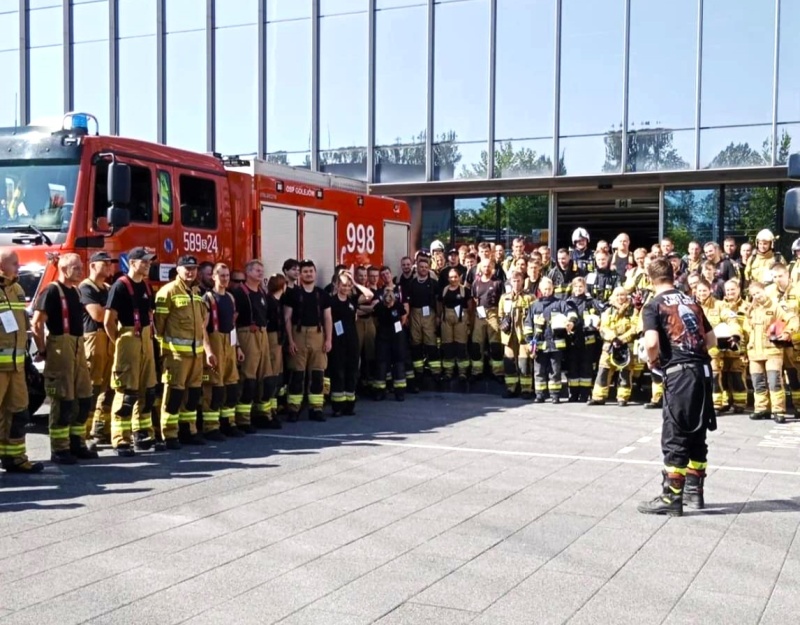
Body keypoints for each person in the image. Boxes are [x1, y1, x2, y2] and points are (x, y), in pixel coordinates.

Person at [638, 257, 717, 516]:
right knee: (697, 432)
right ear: (673, 276)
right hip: (703, 372)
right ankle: (695, 492)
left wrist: (653, 361)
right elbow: (711, 340)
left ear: (650, 279)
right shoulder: (691, 301)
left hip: (680, 375)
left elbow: (651, 343)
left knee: (676, 433)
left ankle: (671, 497)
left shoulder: (653, 305)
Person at [32, 254, 95, 464]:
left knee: (83, 398)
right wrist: (43, 350)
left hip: (78, 347)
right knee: (63, 400)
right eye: (76, 268)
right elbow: (37, 324)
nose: (81, 271)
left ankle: (76, 443)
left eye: (81, 267)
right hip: (61, 347)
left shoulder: (76, 291)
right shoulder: (51, 291)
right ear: (64, 268)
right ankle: (59, 449)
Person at [105, 247, 160, 456]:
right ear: (132, 263)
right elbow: (108, 321)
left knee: (147, 390)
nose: (147, 265)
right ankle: (121, 439)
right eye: (144, 262)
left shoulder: (145, 286)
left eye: (149, 262)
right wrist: (121, 342)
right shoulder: (119, 286)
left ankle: (141, 433)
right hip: (129, 338)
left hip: (146, 339)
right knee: (126, 393)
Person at [154, 255, 209, 448]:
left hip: (196, 354)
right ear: (178, 269)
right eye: (187, 268)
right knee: (174, 395)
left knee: (193, 395)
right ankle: (170, 434)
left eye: (194, 268)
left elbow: (202, 322)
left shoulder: (197, 292)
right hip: (176, 356)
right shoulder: (167, 291)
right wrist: (164, 351)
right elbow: (159, 326)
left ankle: (188, 431)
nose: (191, 272)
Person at [0, 250, 44, 473]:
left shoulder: (17, 289)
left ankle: (15, 458)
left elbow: (21, 325)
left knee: (19, 413)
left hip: (16, 367)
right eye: (15, 263)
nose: (19, 267)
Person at [284, 259, 332, 422]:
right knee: (297, 374)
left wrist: (328, 340)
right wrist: (290, 341)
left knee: (318, 374)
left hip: (318, 335)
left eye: (311, 271)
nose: (308, 274)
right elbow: (287, 318)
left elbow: (328, 318)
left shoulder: (323, 295)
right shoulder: (292, 294)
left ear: (315, 273)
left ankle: (316, 409)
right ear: (300, 275)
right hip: (298, 335)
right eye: (305, 271)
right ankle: (293, 409)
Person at [200, 263, 242, 441]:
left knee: (231, 386)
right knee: (214, 389)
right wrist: (208, 351)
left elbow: (233, 325)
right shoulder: (207, 298)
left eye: (227, 275)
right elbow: (202, 328)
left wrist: (238, 347)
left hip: (229, 345)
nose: (225, 278)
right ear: (213, 277)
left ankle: (228, 423)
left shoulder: (230, 297)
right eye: (221, 275)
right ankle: (211, 427)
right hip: (215, 343)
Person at [79, 251, 116, 450]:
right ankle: (83, 434)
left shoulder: (108, 288)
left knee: (108, 386)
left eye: (110, 263)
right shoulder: (86, 288)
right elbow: (98, 315)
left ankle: (100, 430)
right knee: (92, 387)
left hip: (109, 339)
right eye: (105, 263)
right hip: (94, 339)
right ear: (93, 265)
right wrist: (112, 313)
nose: (110, 266)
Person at [329, 271, 373, 412]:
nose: (346, 288)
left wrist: (355, 283)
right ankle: (338, 406)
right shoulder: (331, 301)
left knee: (352, 371)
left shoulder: (352, 300)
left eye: (348, 285)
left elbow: (369, 295)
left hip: (352, 340)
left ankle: (349, 405)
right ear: (337, 285)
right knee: (338, 372)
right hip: (337, 341)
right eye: (343, 285)